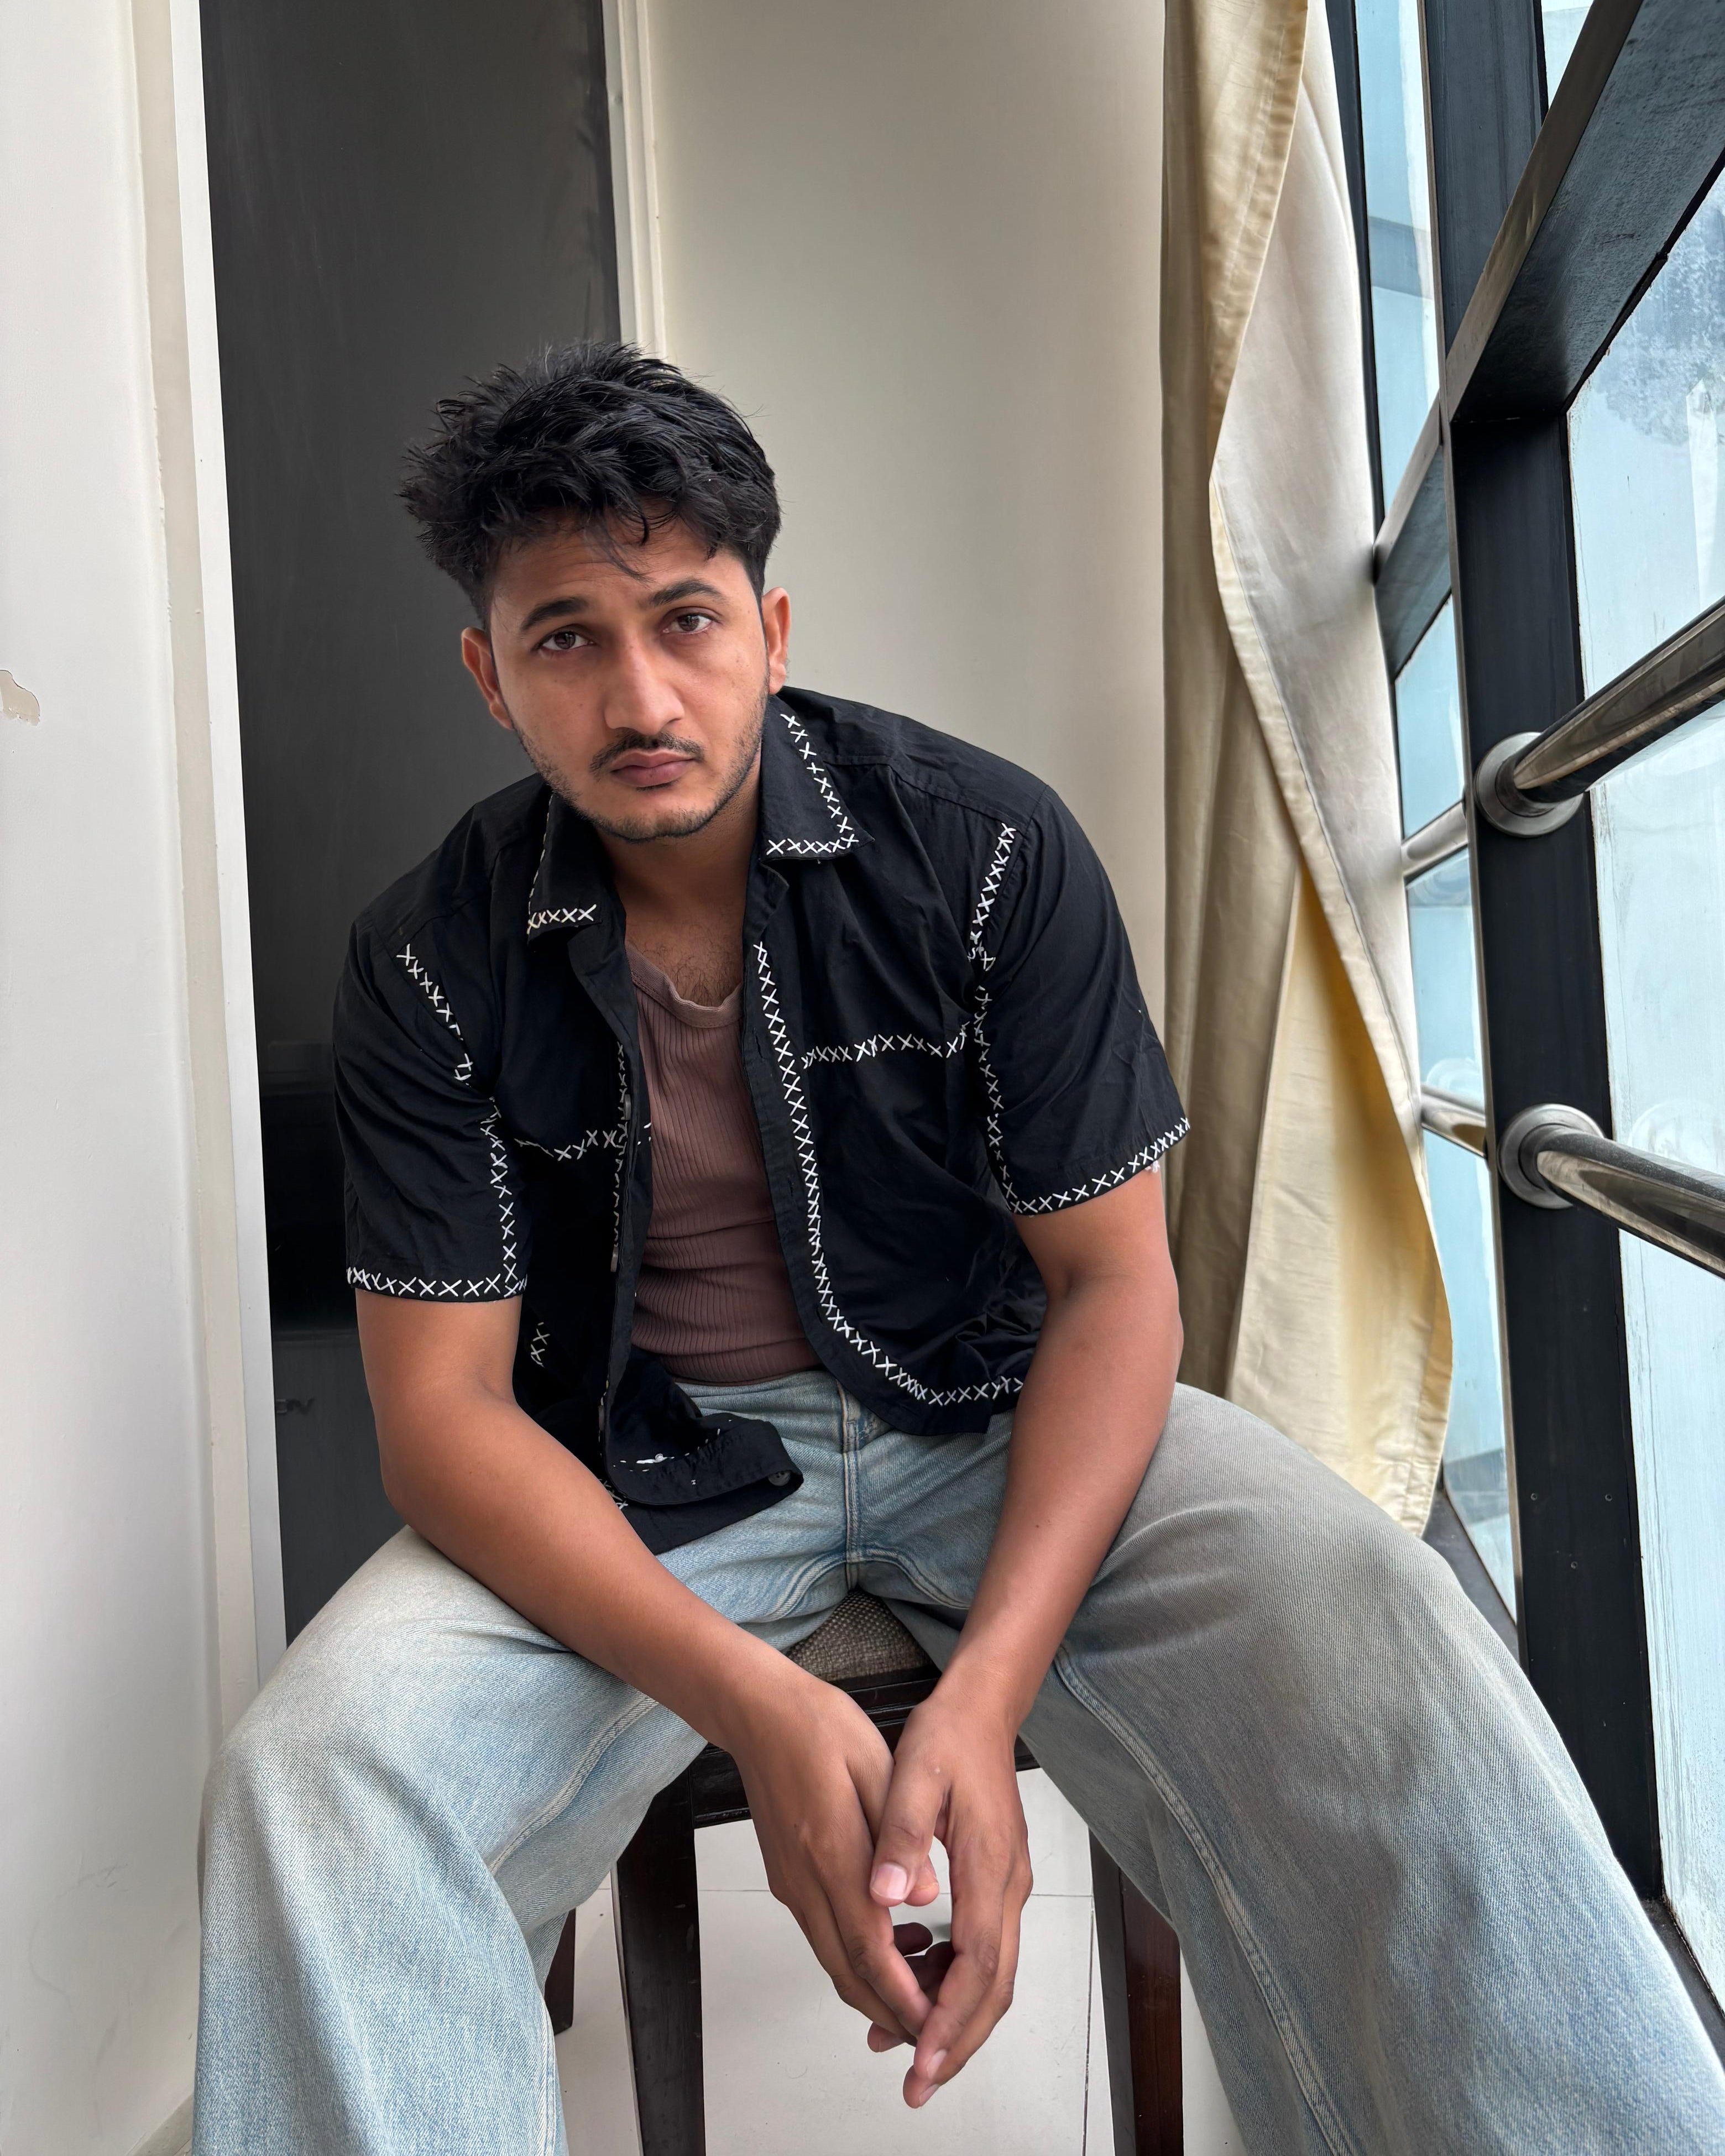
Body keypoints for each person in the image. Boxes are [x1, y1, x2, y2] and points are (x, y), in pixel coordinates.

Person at [192, 343, 1725, 2155]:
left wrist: (990, 1690)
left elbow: (1113, 1285)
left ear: (771, 623)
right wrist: (751, 1701)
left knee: (1388, 1634)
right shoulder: (428, 955)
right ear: (489, 677)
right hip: (642, 1472)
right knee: (316, 1770)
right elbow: (441, 1417)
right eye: (567, 639)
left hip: (1002, 1406)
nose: (641, 690)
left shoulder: (985, 850)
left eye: (685, 619)